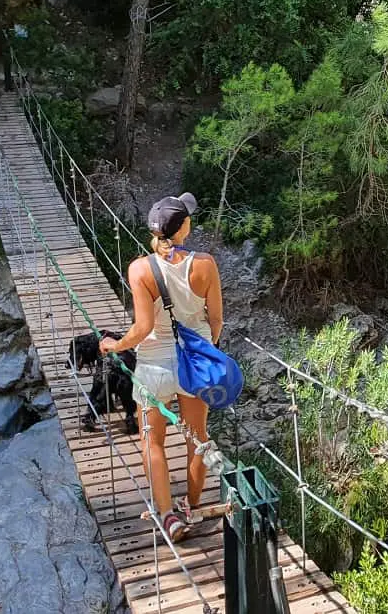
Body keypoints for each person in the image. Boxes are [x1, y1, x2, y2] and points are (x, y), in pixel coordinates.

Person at [99, 192, 224, 541]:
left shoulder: (139, 269)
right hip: (194, 365)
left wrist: (115, 346)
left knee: (152, 442)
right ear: (184, 227)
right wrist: (206, 352)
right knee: (198, 440)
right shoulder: (206, 264)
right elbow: (216, 321)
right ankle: (192, 505)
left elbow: (141, 329)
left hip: (153, 367)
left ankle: (168, 517)